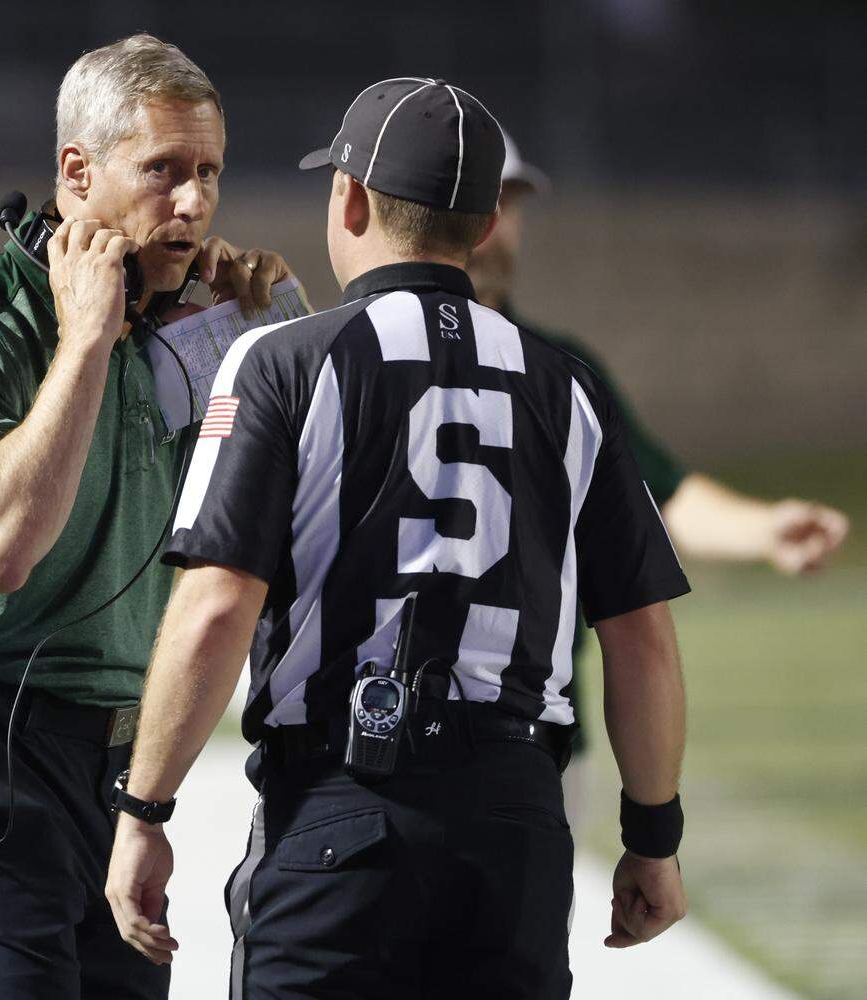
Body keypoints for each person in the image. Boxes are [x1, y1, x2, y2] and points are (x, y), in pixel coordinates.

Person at [108, 77, 691, 998]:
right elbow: (643, 638)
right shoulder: (566, 385)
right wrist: (653, 840)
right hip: (518, 823)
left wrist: (146, 808)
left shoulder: (286, 361)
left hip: (346, 808)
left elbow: (218, 602)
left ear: (349, 198)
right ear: (488, 222)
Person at [0, 35, 292, 1000]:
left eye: (209, 172)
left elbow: (278, 540)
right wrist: (84, 339)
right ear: (77, 173)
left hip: (118, 766)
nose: (194, 204)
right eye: (163, 171)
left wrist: (269, 347)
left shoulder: (177, 335)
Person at [468, 131, 851, 807]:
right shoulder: (346, 356)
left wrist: (765, 529)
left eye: (511, 203)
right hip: (380, 739)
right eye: (479, 201)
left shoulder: (564, 373)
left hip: (538, 739)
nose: (499, 226)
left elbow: (656, 499)